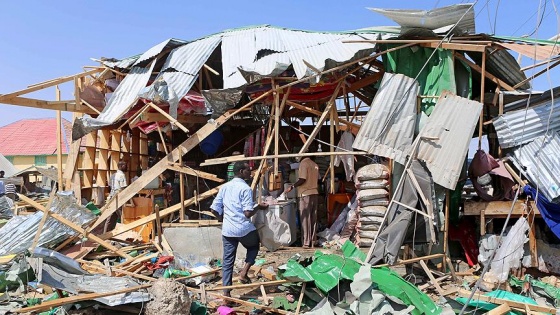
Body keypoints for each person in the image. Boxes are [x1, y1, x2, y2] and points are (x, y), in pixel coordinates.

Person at [211, 161, 268, 297]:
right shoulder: (246, 189)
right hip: (243, 228)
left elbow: (213, 209)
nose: (250, 172)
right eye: (248, 170)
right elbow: (248, 213)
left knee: (227, 261)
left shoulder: (224, 187)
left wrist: (222, 219)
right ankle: (244, 272)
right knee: (254, 246)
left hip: (228, 230)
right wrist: (259, 207)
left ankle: (226, 294)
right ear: (241, 172)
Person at [285, 156, 319, 248]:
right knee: (313, 218)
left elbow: (302, 179)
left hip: (305, 194)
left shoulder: (304, 163)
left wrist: (292, 186)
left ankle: (306, 243)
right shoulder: (314, 164)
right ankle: (313, 240)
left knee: (305, 219)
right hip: (314, 193)